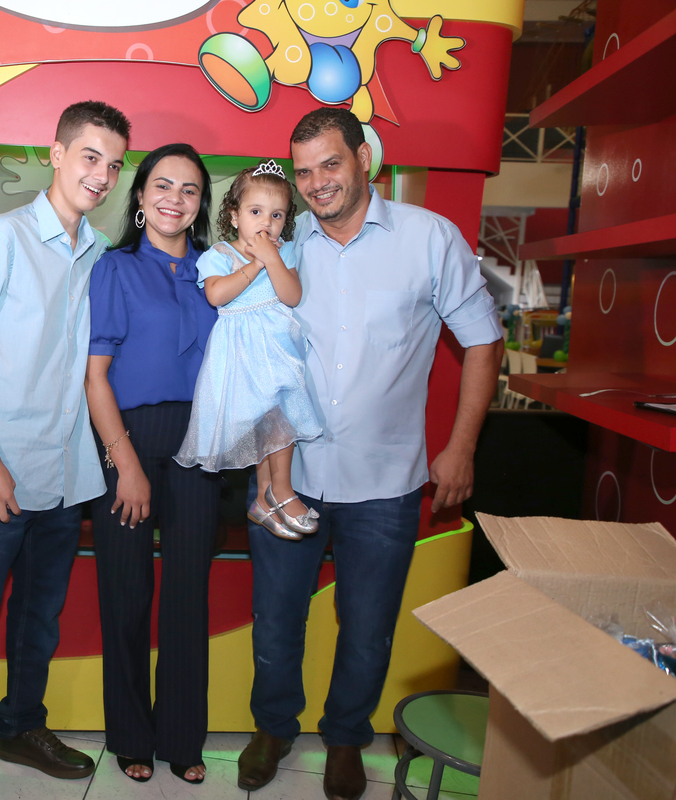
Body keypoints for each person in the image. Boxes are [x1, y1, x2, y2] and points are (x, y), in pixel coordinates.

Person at [237, 108, 503, 800]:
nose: (316, 183)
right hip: (287, 475)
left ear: (363, 159)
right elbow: (249, 347)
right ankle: (273, 728)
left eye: (330, 164)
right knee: (275, 619)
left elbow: (483, 340)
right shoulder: (280, 241)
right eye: (303, 172)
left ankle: (346, 738)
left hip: (386, 483)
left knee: (367, 628)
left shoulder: (428, 238)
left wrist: (461, 448)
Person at [0, 100, 131, 800]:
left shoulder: (97, 253)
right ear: (57, 154)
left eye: (114, 164)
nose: (101, 174)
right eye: (90, 157)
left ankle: (21, 727)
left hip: (65, 471)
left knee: (38, 620)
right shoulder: (3, 238)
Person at [85, 143, 220, 784]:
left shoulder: (218, 270)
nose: (175, 198)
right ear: (139, 197)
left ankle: (183, 739)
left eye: (190, 189)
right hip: (128, 439)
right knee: (127, 595)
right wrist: (127, 465)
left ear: (201, 204)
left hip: (204, 444)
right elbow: (95, 377)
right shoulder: (115, 269)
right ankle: (132, 735)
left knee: (189, 596)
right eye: (162, 185)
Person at [176, 161, 323, 539]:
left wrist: (272, 258)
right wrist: (256, 263)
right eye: (255, 212)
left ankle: (267, 496)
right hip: (240, 350)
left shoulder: (284, 252)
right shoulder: (220, 253)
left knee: (280, 416)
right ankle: (277, 491)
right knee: (265, 420)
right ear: (234, 216)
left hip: (277, 345)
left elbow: (292, 295)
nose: (266, 223)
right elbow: (216, 295)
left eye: (276, 215)